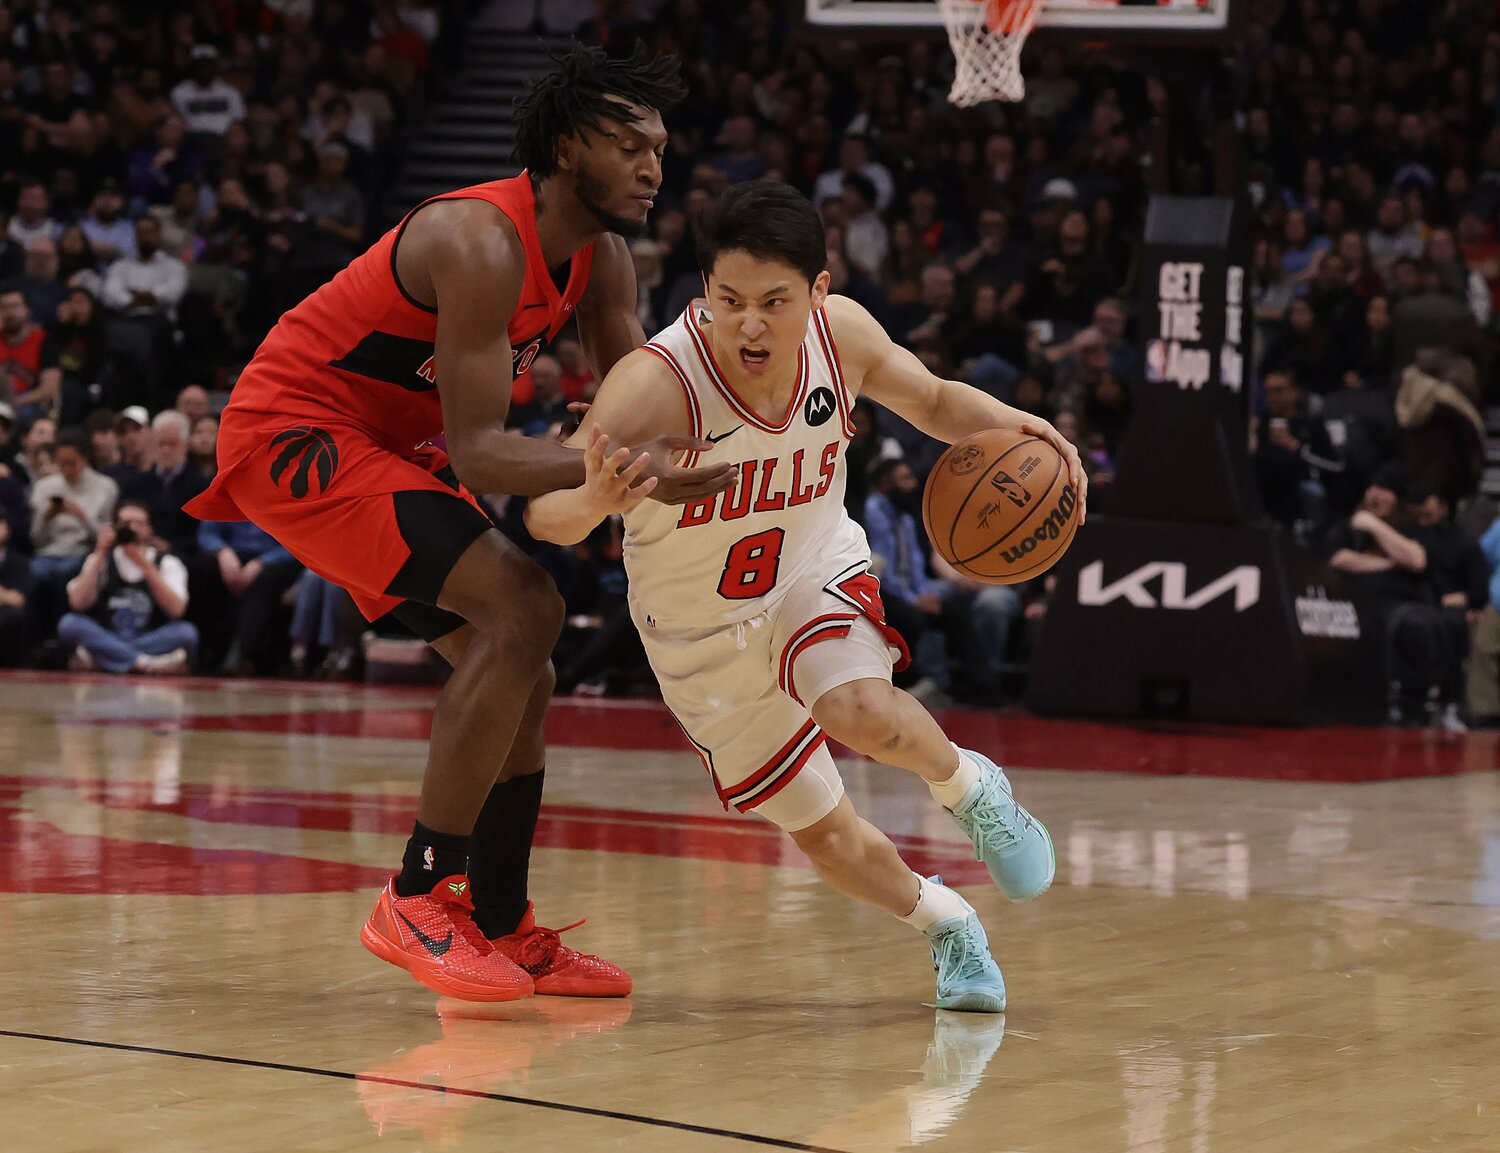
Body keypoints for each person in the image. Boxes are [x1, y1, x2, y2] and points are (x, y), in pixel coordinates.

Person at [184, 45, 736, 1003]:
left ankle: (501, 920)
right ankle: (415, 894)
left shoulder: (601, 258)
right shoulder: (478, 238)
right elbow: (482, 453)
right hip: (296, 429)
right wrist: (625, 466)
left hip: (393, 447)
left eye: (660, 148)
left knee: (527, 662)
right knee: (526, 605)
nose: (655, 168)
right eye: (630, 146)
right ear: (567, 149)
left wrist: (762, 427)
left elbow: (637, 406)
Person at [525, 182, 1087, 1012]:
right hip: (696, 635)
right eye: (729, 301)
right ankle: (948, 922)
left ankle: (972, 790)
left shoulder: (842, 335)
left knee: (857, 708)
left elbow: (933, 399)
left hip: (808, 568)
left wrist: (1029, 426)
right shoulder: (654, 386)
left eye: (773, 302)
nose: (749, 325)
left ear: (818, 291)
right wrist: (593, 498)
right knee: (824, 835)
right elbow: (544, 514)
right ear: (704, 291)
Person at [58, 499, 197, 675]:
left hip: (148, 635)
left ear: (150, 528)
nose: (132, 528)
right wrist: (100, 553)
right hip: (109, 633)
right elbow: (78, 603)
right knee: (69, 624)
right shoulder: (100, 559)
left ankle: (107, 658)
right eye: (125, 524)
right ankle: (144, 662)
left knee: (186, 633)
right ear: (114, 527)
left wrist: (144, 565)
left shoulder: (168, 562)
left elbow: (176, 610)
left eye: (139, 523)